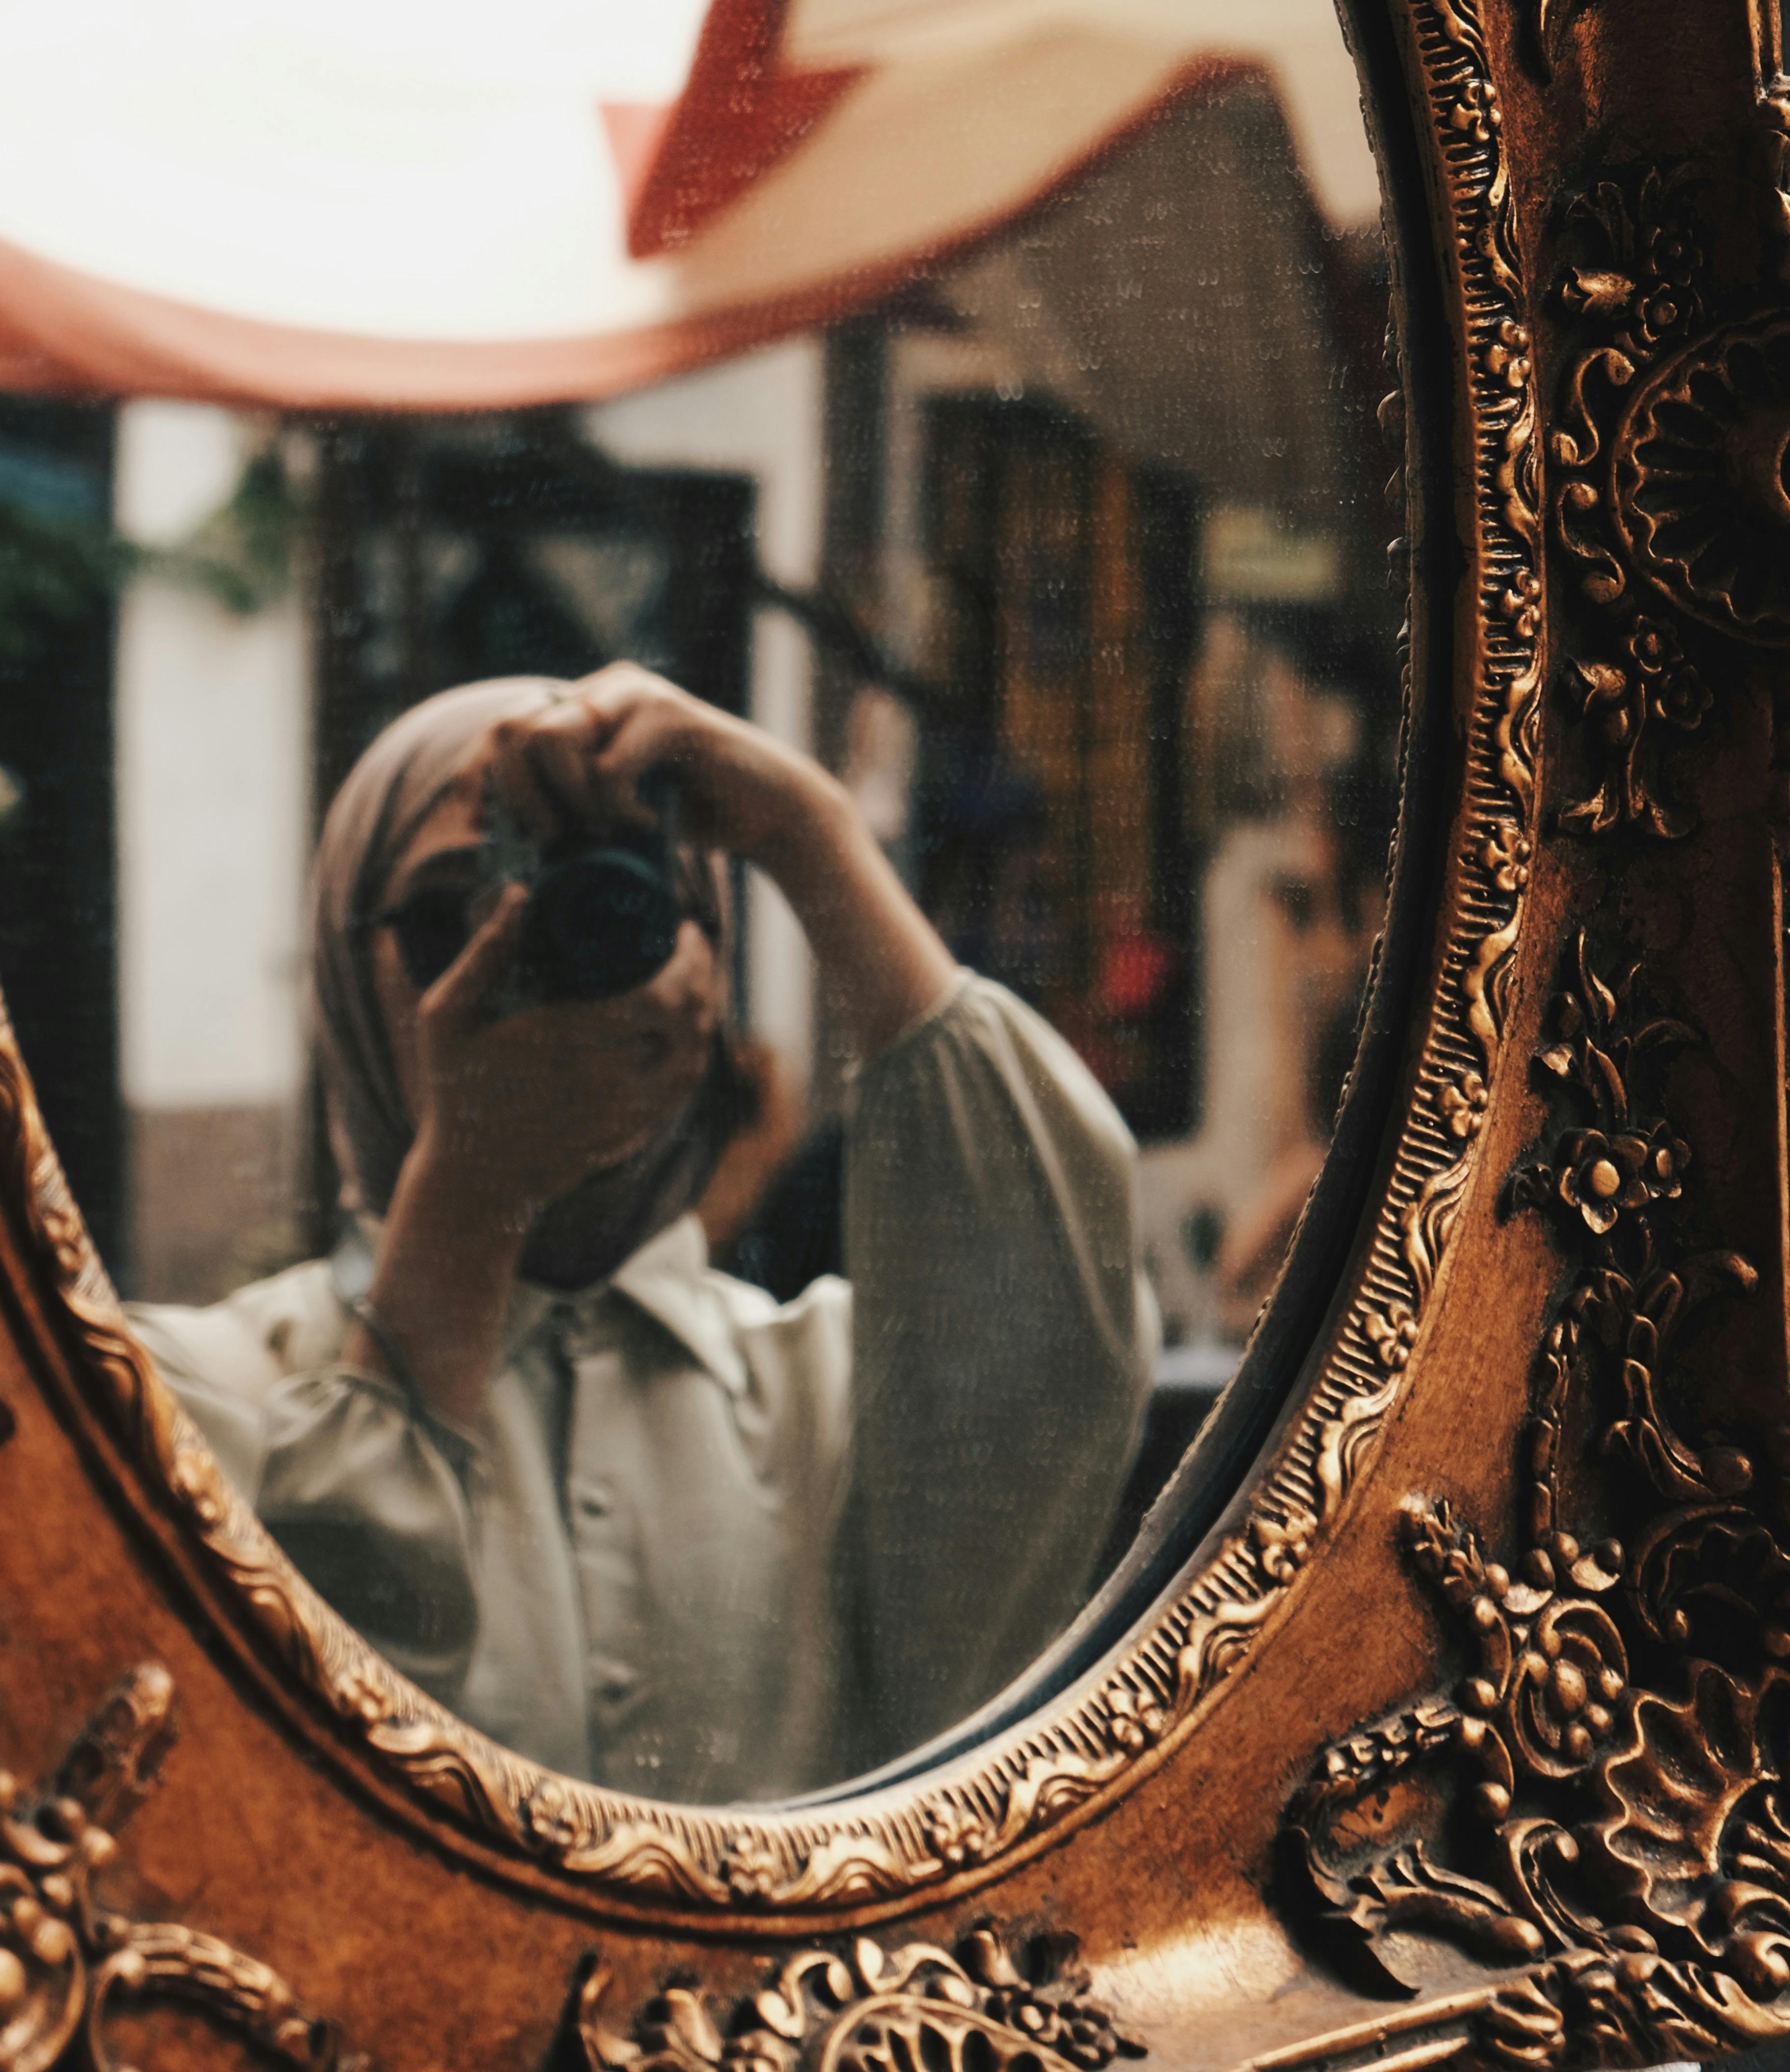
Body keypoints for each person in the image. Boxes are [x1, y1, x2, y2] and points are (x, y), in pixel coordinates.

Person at [130, 664, 1157, 1805]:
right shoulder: (195, 1397)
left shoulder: (828, 1394)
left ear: (709, 962)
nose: (523, 958)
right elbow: (283, 1795)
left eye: (604, 900)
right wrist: (469, 1189)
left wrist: (805, 833)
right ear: (341, 966)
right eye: (454, 915)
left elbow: (1068, 1333)